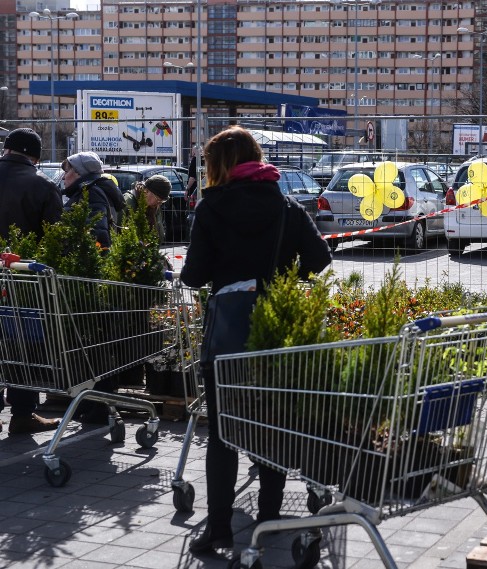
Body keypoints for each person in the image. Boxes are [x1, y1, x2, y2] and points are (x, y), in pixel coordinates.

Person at [180, 126, 332, 554]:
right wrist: (283, 282)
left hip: (228, 335)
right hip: (274, 331)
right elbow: (320, 259)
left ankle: (220, 529)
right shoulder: (285, 205)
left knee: (223, 433)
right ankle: (268, 518)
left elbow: (193, 275)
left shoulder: (211, 208)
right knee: (271, 424)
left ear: (217, 166)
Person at [0, 128, 64, 435]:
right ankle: (23, 413)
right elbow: (56, 240)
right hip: (22, 279)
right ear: (35, 156)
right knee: (21, 344)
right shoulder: (41, 185)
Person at [60, 151, 126, 249]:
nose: (63, 177)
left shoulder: (91, 193)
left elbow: (98, 237)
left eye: (66, 171)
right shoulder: (92, 190)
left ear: (79, 172)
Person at [120, 175, 172, 243]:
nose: (159, 204)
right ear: (146, 191)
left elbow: (159, 236)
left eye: (162, 201)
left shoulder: (154, 207)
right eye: (158, 199)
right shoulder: (128, 203)